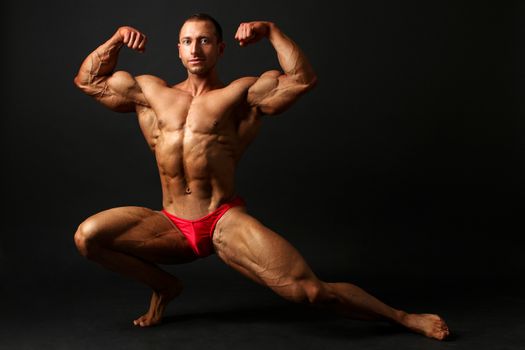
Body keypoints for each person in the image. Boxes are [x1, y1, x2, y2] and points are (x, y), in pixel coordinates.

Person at [73, 13, 449, 340]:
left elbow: (302, 79)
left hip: (222, 220)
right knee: (88, 237)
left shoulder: (242, 93)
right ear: (177, 49)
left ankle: (403, 317)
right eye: (187, 41)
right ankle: (165, 286)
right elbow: (88, 80)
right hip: (169, 223)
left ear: (220, 49)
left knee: (312, 293)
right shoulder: (150, 93)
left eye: (204, 41)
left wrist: (271, 31)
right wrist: (118, 38)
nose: (195, 49)